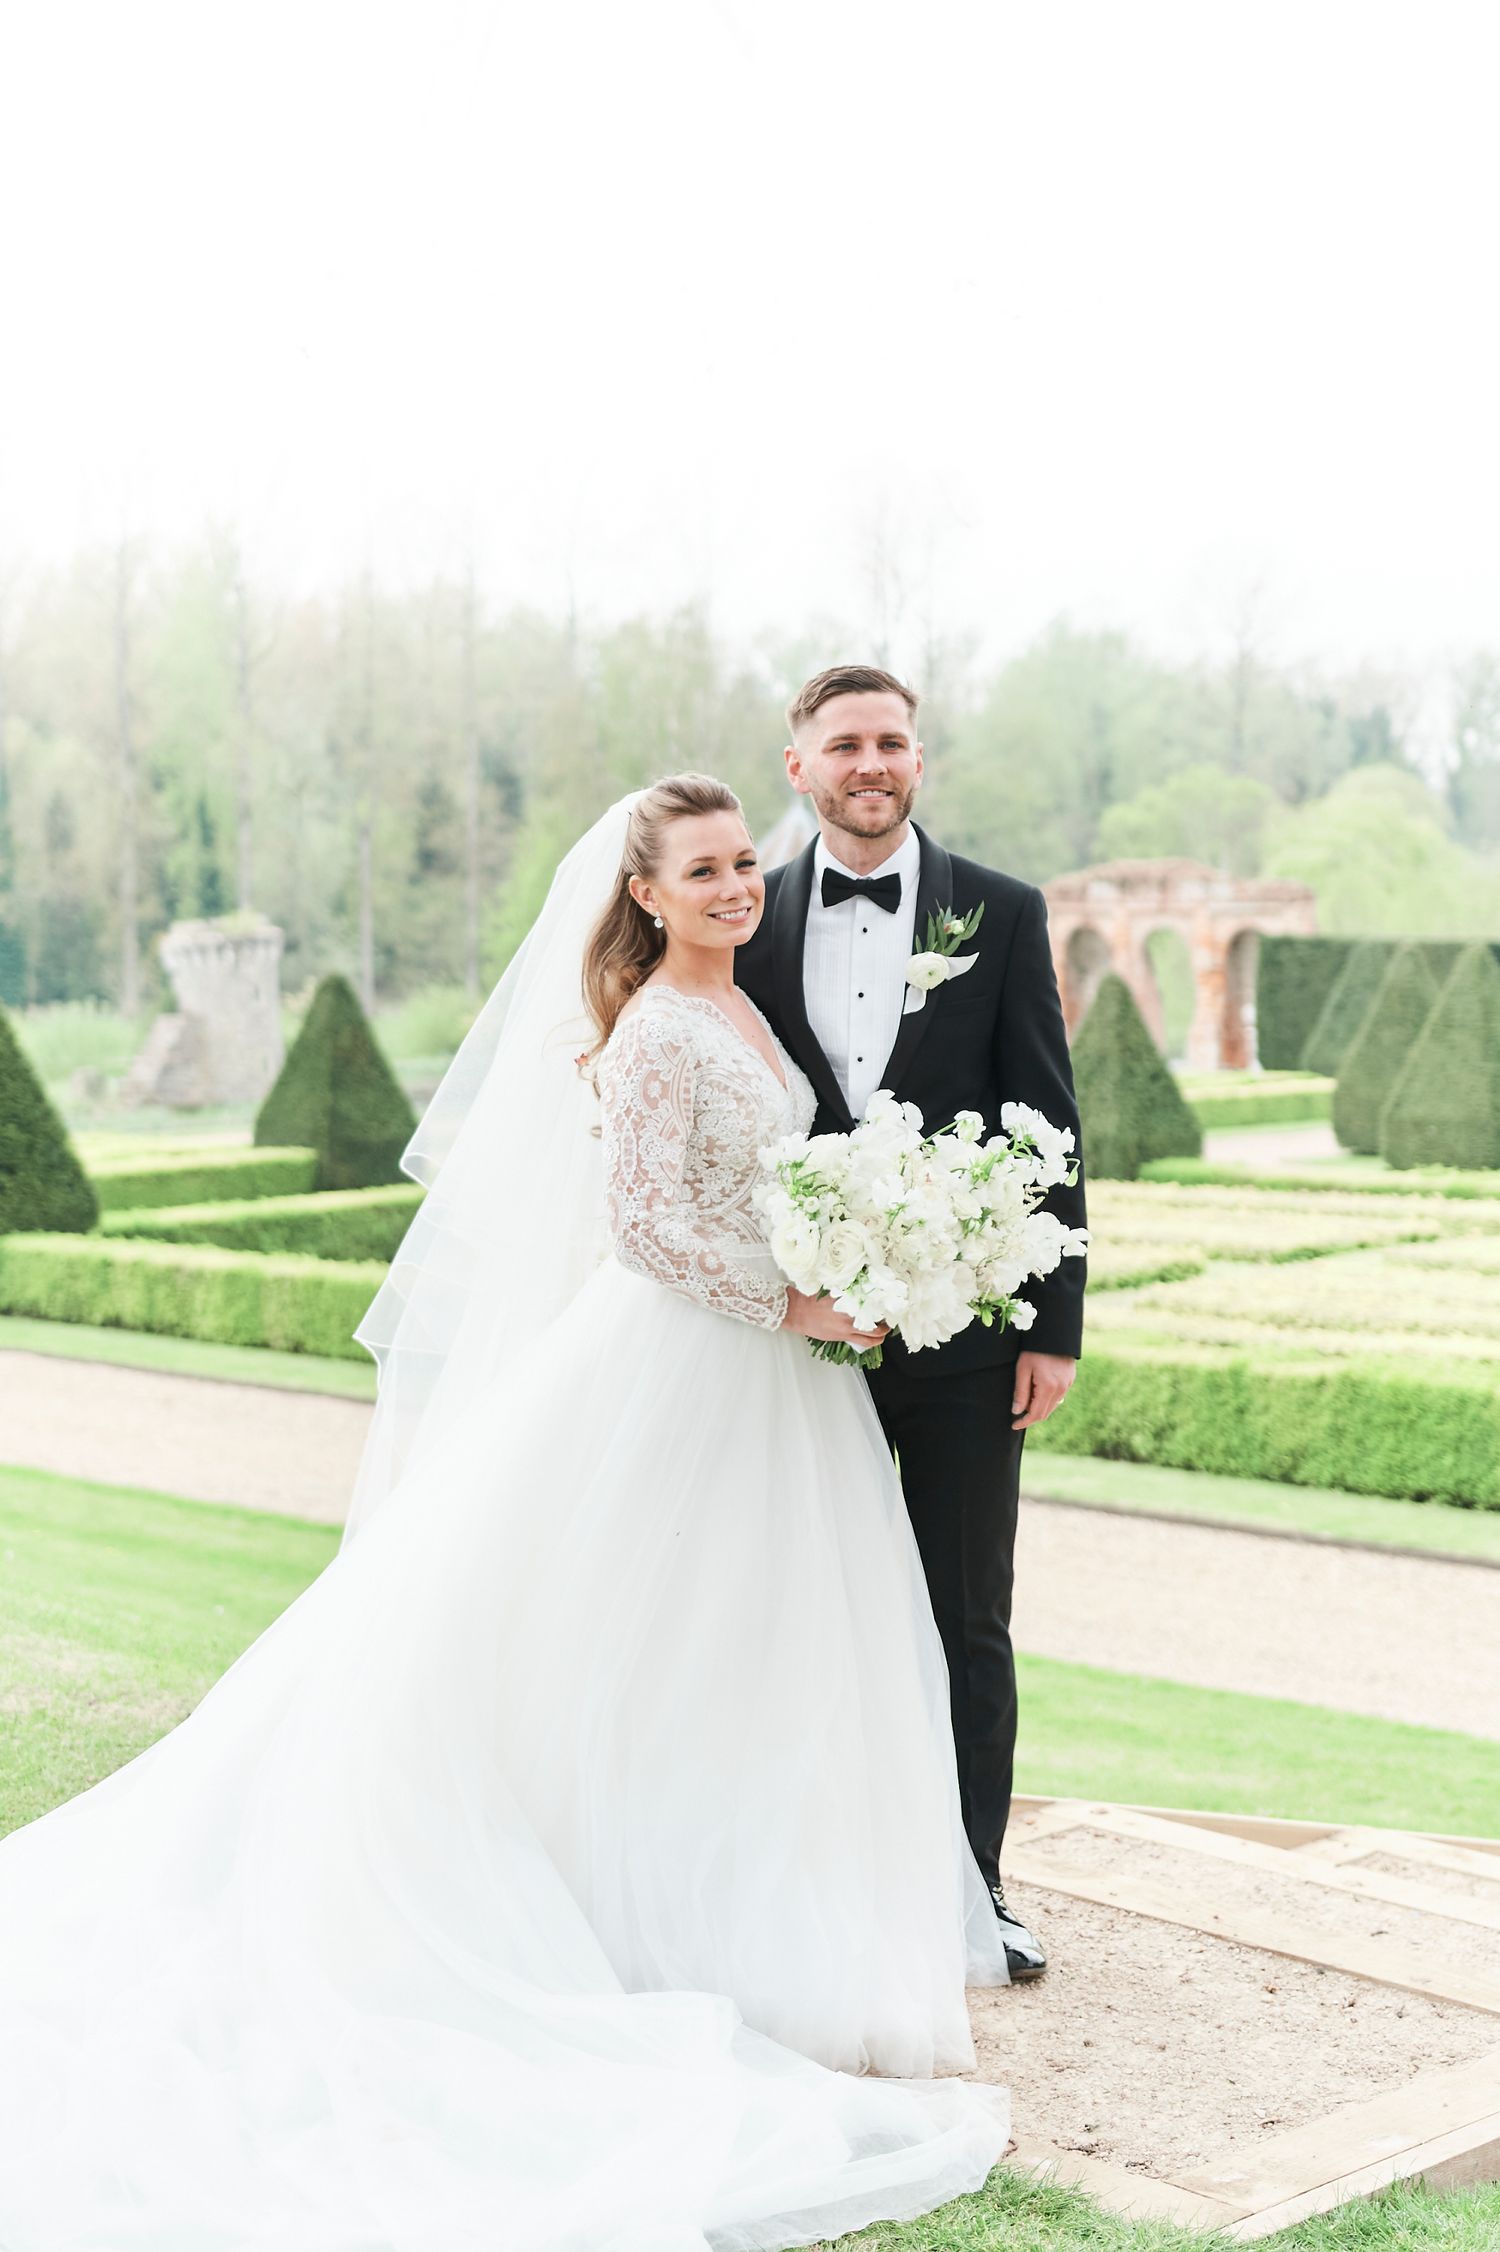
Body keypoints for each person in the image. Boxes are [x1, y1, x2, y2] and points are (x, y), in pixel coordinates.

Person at [0, 774, 1014, 2252]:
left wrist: (847, 1257)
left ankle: (737, 1927)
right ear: (646, 896)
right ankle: (631, 1926)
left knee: (747, 1651)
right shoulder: (662, 1029)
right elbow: (647, 1226)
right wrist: (792, 1289)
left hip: (774, 1380)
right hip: (680, 1363)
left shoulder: (747, 1010)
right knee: (632, 1644)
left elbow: (762, 1184)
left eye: (745, 862)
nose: (738, 885)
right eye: (706, 870)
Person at [738, 666, 1089, 1979]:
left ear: (919, 762)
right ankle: (804, 1877)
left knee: (965, 1613)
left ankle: (973, 1888)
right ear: (801, 767)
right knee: (790, 1604)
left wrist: (1052, 1321)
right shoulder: (746, 919)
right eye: (845, 743)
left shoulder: (1001, 910)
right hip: (794, 1341)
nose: (870, 761)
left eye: (892, 741)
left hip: (966, 1335)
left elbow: (1045, 1118)